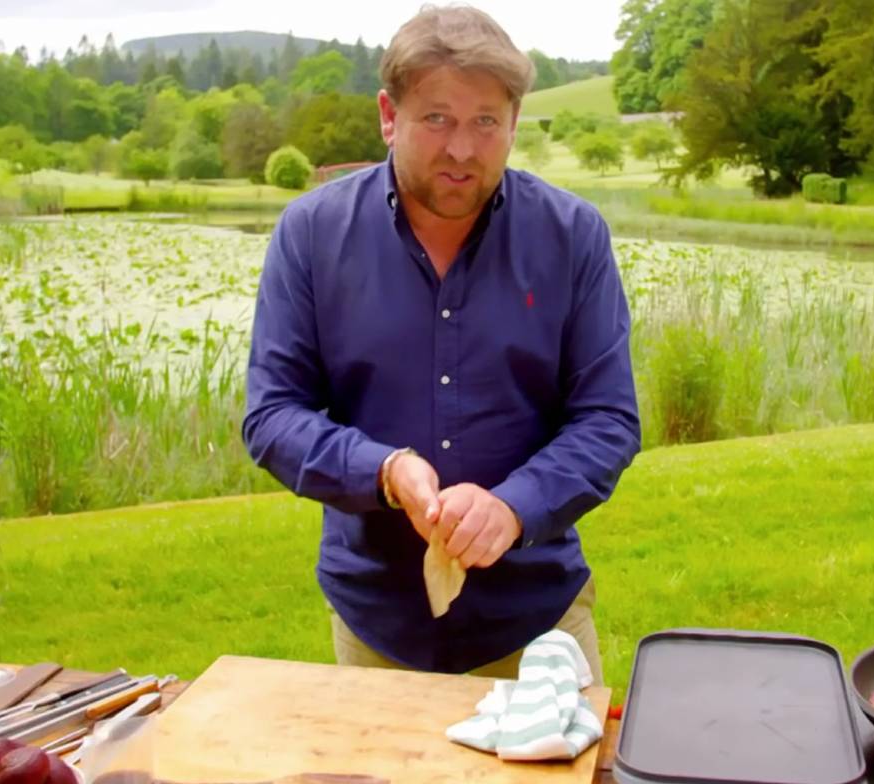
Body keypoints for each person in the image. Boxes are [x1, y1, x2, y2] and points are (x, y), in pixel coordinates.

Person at [241, 4, 640, 683]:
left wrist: (514, 506)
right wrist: (383, 470)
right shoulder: (310, 235)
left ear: (514, 121)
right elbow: (273, 415)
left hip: (540, 627)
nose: (461, 148)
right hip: (376, 627)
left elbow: (608, 420)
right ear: (388, 115)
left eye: (485, 121)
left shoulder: (572, 235)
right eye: (437, 118)